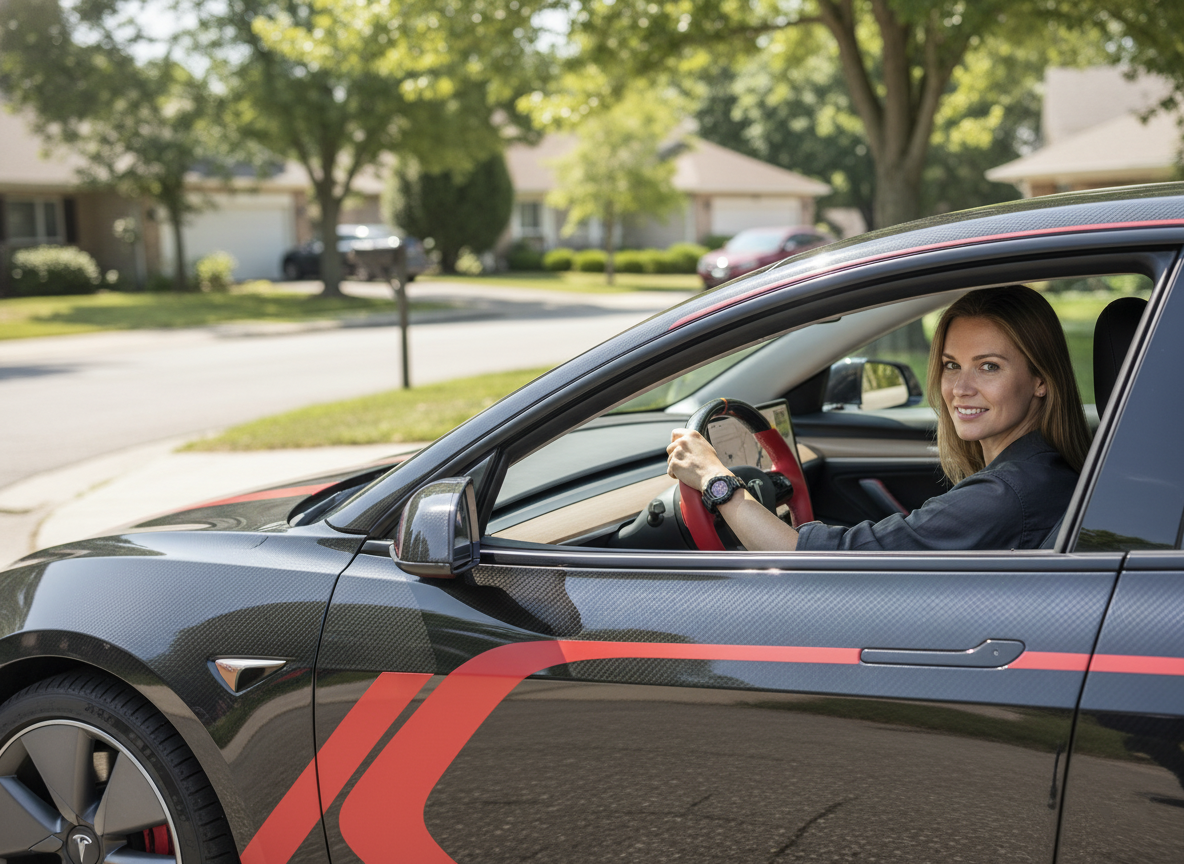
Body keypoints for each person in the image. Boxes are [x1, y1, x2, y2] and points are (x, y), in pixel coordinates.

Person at [666, 285, 1092, 551]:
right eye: (950, 365)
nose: (960, 389)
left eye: (989, 367)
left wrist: (716, 481)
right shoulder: (1042, 471)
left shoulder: (1005, 496)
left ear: (1041, 379)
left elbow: (808, 563)